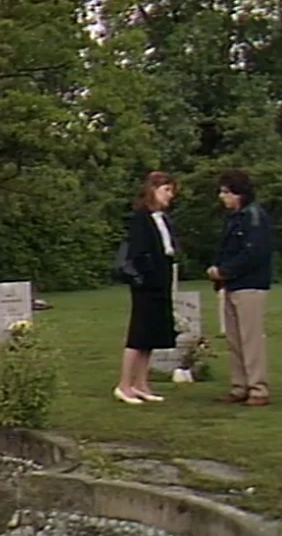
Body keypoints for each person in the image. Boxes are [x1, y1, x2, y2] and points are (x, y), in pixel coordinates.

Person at [207, 169, 273, 407]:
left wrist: (224, 271)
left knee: (250, 339)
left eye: (226, 192)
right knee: (234, 339)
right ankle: (239, 385)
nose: (222, 197)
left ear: (240, 193)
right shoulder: (234, 218)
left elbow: (254, 253)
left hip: (250, 284)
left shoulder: (254, 217)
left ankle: (258, 388)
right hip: (233, 284)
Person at [114, 171, 178, 405]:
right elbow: (139, 252)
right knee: (138, 334)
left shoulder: (162, 218)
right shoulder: (141, 218)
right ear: (153, 190)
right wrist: (148, 275)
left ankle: (141, 383)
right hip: (146, 283)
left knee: (151, 336)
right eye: (166, 190)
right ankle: (124, 384)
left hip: (161, 281)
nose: (170, 195)